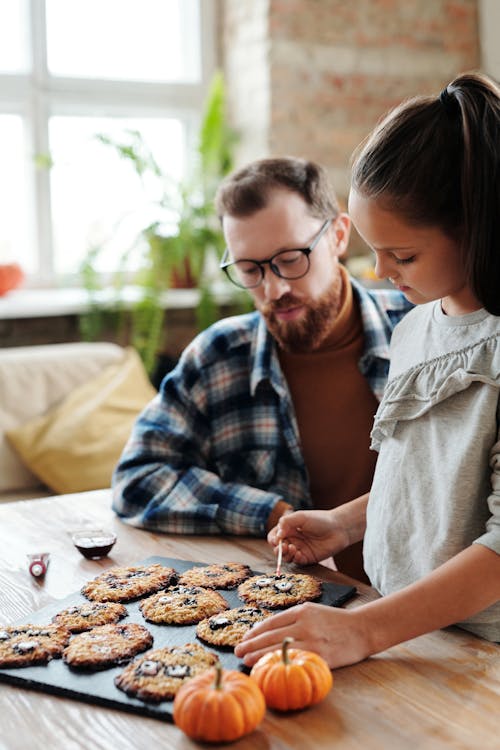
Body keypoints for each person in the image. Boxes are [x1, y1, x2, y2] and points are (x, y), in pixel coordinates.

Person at [235, 72, 500, 669]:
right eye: (373, 251)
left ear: (478, 230)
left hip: (479, 658)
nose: (379, 273)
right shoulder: (415, 328)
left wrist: (360, 633)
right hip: (410, 634)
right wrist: (346, 523)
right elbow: (430, 479)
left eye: (402, 255)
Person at [112, 156, 412, 581]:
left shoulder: (424, 331)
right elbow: (138, 477)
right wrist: (269, 512)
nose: (275, 289)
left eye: (291, 259)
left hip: (427, 610)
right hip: (291, 607)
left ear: (339, 235)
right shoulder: (218, 356)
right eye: (249, 270)